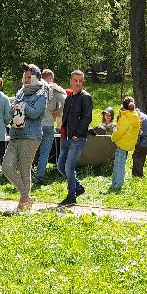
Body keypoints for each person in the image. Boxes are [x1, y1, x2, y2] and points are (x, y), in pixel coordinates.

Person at [3, 64, 48, 211]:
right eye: (25, 77)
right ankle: (26, 196)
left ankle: (23, 205)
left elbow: (35, 113)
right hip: (15, 134)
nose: (26, 80)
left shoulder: (42, 93)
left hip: (31, 136)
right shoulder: (20, 92)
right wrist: (15, 106)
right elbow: (10, 111)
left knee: (24, 170)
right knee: (6, 167)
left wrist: (23, 106)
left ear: (36, 77)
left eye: (30, 77)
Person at [57, 70, 93, 205]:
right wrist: (62, 132)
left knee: (69, 167)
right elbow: (65, 117)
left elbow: (87, 118)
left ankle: (71, 196)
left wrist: (77, 134)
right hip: (65, 137)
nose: (78, 83)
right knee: (61, 167)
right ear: (70, 81)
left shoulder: (86, 98)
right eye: (75, 80)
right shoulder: (69, 97)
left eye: (80, 81)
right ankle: (78, 187)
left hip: (77, 138)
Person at [34, 68, 67, 184]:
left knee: (30, 152)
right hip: (48, 124)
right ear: (51, 78)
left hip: (34, 124)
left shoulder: (35, 88)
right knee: (44, 152)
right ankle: (39, 177)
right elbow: (66, 101)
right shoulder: (54, 89)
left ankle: (26, 176)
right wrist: (60, 111)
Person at [109, 96, 141, 192]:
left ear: (123, 105)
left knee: (119, 164)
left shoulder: (126, 117)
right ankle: (113, 182)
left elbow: (119, 132)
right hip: (129, 143)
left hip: (122, 143)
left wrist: (113, 138)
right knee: (118, 162)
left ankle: (117, 184)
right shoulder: (135, 115)